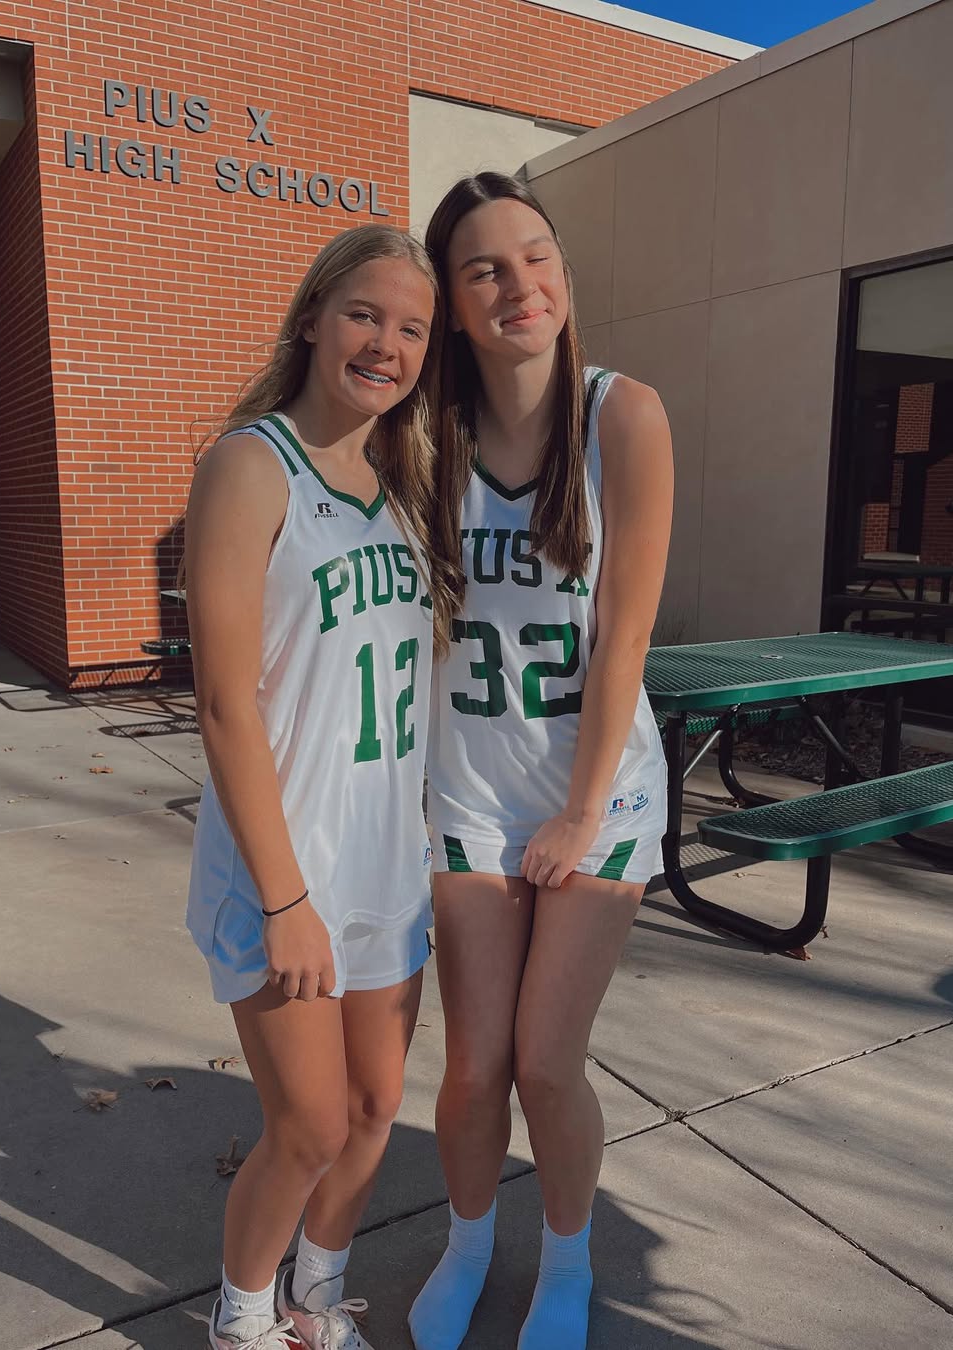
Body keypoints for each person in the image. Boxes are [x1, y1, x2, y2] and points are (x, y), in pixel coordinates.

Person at [409, 172, 673, 1350]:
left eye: (536, 256)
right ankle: (470, 1245)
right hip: (470, 789)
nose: (520, 284)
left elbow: (626, 636)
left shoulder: (624, 414)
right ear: (454, 305)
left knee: (548, 1063)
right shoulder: (425, 434)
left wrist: (578, 815)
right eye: (485, 269)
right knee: (475, 1071)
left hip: (597, 791)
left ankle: (567, 1263)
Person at [183, 224, 445, 1350]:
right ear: (312, 320)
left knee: (376, 1111)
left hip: (388, 859)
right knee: (308, 1127)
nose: (387, 345)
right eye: (364, 315)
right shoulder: (252, 465)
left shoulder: (403, 490)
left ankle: (314, 1300)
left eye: (412, 329)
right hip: (284, 864)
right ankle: (241, 1321)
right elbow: (224, 704)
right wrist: (285, 898)